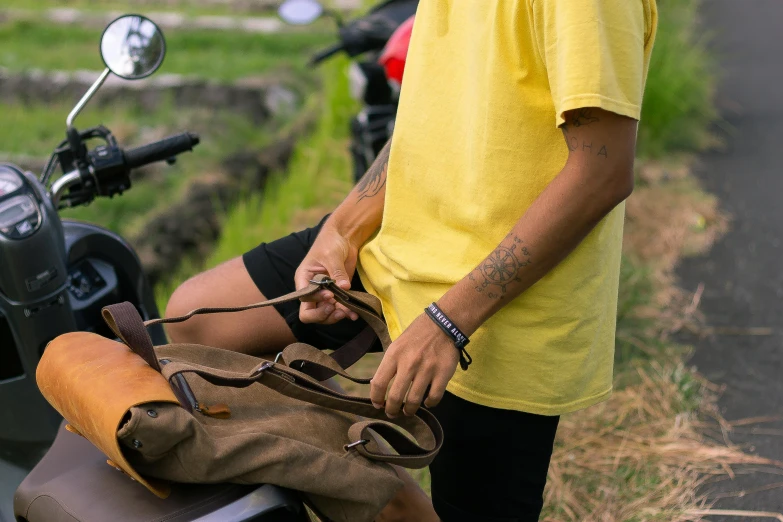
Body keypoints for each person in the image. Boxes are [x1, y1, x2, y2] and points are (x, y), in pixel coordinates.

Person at [165, 0, 658, 520]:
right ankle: (388, 499)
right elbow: (431, 109)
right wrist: (342, 230)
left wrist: (448, 322)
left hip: (499, 309)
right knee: (200, 321)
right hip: (400, 246)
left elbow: (601, 172)